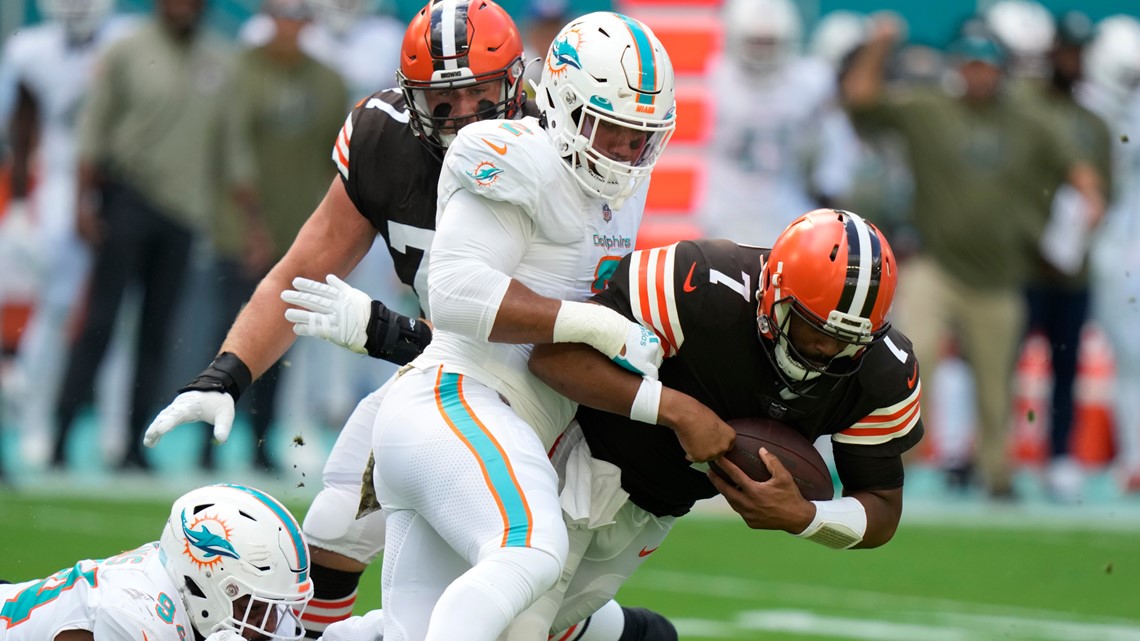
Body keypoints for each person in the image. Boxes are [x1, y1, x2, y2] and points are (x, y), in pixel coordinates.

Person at [142, 3, 675, 639]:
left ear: (522, 87)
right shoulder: (385, 138)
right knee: (340, 520)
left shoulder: (569, 145)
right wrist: (223, 375)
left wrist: (381, 331)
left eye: (481, 92)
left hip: (532, 389)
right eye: (443, 100)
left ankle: (618, 631)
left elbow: (516, 333)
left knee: (524, 595)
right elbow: (303, 274)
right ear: (410, 97)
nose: (467, 113)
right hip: (451, 374)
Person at [363, 12, 704, 641]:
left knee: (433, 628)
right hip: (455, 400)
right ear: (565, 106)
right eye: (611, 130)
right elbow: (458, 293)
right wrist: (595, 328)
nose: (627, 153)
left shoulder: (614, 185)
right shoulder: (512, 152)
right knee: (530, 549)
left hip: (500, 423)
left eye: (641, 137)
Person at [511, 209, 921, 633]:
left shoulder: (884, 370)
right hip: (570, 459)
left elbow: (883, 508)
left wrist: (804, 516)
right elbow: (554, 357)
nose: (826, 348)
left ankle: (630, 634)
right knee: (514, 624)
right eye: (812, 327)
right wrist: (676, 410)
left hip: (656, 508)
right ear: (773, 294)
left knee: (548, 623)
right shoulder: (699, 280)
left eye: (849, 340)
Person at [841, 16, 1105, 499]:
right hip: (937, 264)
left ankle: (997, 475)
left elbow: (1074, 161)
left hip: (1002, 276)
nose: (979, 74)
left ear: (1000, 70)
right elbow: (861, 99)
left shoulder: (1028, 120)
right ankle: (890, 465)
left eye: (987, 65)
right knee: (904, 361)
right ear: (958, 67)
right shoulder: (929, 108)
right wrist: (877, 45)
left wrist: (1088, 193)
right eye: (971, 64)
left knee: (996, 388)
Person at [53, 0, 239, 472]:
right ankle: (60, 436)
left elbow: (227, 152)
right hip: (128, 197)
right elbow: (93, 131)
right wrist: (83, 204)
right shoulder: (127, 48)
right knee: (99, 323)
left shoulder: (220, 58)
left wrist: (232, 220)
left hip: (184, 212)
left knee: (157, 335)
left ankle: (137, 446)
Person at [200, 0, 349, 472]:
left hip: (297, 234)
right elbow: (233, 150)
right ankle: (208, 442)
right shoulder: (242, 70)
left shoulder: (328, 81)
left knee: (280, 341)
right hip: (241, 231)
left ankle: (262, 444)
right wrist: (251, 228)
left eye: (297, 18)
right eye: (282, 17)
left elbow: (340, 164)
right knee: (229, 334)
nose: (289, 28)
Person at [0, 0, 136, 468]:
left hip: (117, 182)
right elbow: (24, 128)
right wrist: (20, 204)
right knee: (56, 309)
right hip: (57, 187)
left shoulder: (128, 39)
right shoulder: (32, 50)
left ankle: (116, 433)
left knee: (117, 317)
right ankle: (36, 424)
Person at [0, 483, 313, 640]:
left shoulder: (178, 584)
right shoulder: (132, 613)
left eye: (273, 607)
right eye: (257, 609)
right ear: (203, 585)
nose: (272, 626)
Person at [699, 0, 860, 247]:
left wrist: (829, 185)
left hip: (786, 208)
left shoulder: (810, 82)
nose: (763, 52)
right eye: (756, 43)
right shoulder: (711, 78)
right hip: (720, 210)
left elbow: (837, 141)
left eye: (770, 43)